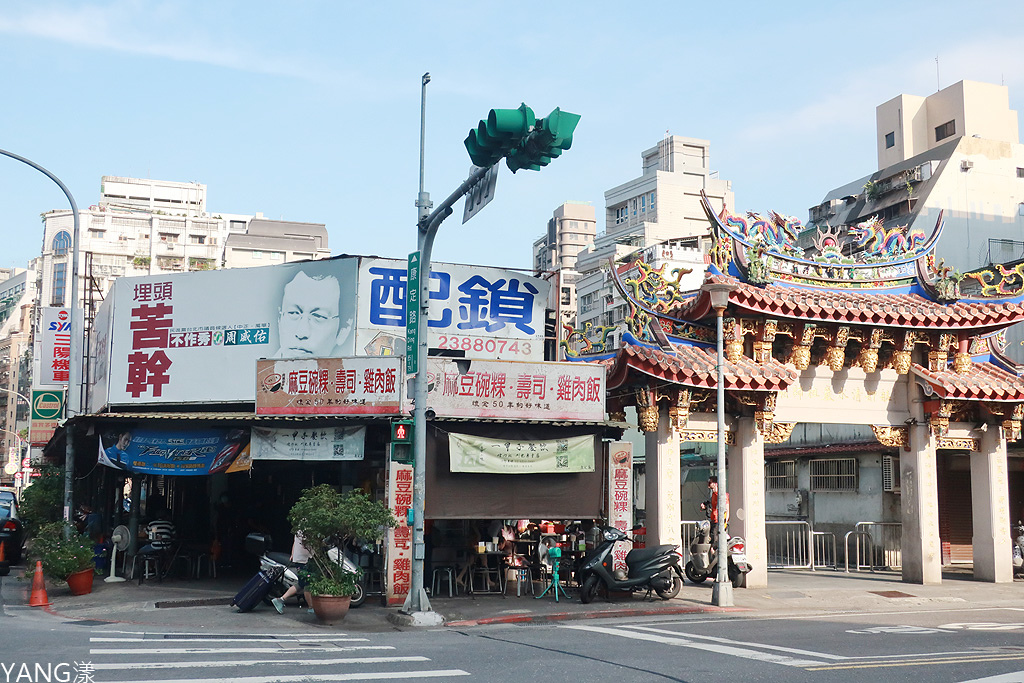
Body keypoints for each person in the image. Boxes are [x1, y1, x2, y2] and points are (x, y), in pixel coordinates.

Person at [274, 270, 353, 358]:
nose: (301, 333)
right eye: (293, 313)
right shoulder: (257, 368)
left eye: (318, 316)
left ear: (344, 331)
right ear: (279, 320)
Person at [272, 532, 313, 613]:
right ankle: (311, 608)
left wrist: (293, 553)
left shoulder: (300, 524)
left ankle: (280, 600)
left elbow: (296, 541)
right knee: (307, 583)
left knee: (301, 583)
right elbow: (306, 542)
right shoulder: (307, 526)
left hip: (300, 558)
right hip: (304, 559)